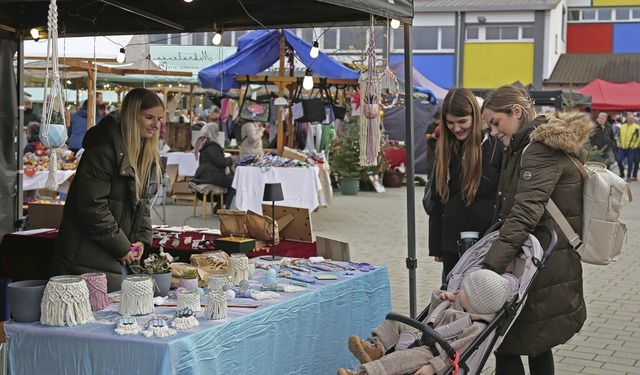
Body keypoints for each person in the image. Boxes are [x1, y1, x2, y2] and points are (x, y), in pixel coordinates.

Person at [480, 85, 589, 375]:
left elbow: (524, 214)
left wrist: (489, 267)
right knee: (535, 345)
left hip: (538, 265)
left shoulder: (538, 151)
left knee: (507, 344)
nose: (492, 131)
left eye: (495, 122)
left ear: (516, 112)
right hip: (543, 262)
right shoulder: (525, 146)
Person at [52, 88, 164, 292]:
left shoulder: (140, 152)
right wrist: (121, 246)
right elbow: (92, 206)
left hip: (113, 257)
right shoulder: (102, 150)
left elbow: (141, 203)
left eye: (159, 119)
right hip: (86, 257)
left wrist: (141, 239)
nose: (156, 125)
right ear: (131, 116)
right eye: (149, 117)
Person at [337, 269, 511, 375]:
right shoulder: (460, 304)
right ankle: (376, 347)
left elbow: (459, 351)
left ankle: (365, 373)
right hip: (425, 333)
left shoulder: (476, 326)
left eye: (466, 290)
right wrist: (441, 298)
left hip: (433, 353)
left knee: (403, 358)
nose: (460, 290)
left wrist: (434, 367)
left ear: (475, 301)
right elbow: (432, 317)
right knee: (395, 322)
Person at [428, 88, 502, 281]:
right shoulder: (446, 149)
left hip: (487, 243)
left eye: (462, 122)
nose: (457, 128)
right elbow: (437, 199)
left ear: (475, 117)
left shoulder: (495, 146)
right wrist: (436, 246)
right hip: (452, 244)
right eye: (450, 123)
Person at [192, 123, 236, 210]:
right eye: (216, 131)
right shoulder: (212, 146)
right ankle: (227, 209)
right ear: (212, 132)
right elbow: (221, 162)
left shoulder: (206, 145)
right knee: (235, 182)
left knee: (231, 181)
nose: (218, 134)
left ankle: (219, 207)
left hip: (206, 175)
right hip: (211, 176)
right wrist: (232, 159)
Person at [615, 112, 640, 181]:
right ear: (626, 118)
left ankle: (628, 176)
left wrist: (634, 145)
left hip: (631, 148)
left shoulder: (637, 127)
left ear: (633, 119)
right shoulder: (622, 126)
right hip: (622, 147)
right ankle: (622, 173)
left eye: (631, 118)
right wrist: (618, 144)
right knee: (619, 160)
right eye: (629, 118)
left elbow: (638, 138)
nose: (630, 119)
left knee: (630, 162)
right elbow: (618, 136)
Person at [423, 111, 441, 177]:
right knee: (431, 164)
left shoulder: (443, 126)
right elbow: (426, 136)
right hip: (432, 147)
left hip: (441, 147)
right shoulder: (431, 125)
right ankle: (430, 178)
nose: (438, 120)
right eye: (437, 119)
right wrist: (432, 136)